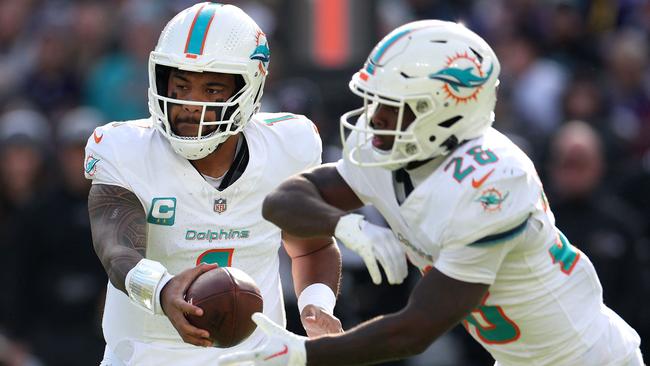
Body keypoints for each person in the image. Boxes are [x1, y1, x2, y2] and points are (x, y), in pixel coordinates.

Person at [219, 20, 643, 366]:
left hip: (586, 357)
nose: (375, 119)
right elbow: (283, 202)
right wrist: (345, 225)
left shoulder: (493, 181)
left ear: (446, 110)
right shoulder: (393, 146)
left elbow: (416, 328)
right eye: (374, 102)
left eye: (393, 107)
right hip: (519, 358)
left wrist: (302, 355)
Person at [84, 3, 342, 366]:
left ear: (248, 89)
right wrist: (161, 290)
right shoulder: (124, 149)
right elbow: (117, 249)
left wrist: (316, 305)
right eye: (182, 84)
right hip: (147, 356)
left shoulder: (288, 146)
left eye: (212, 89)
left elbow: (311, 247)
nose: (191, 104)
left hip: (257, 357)